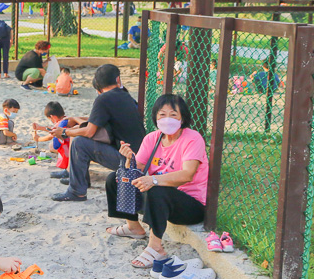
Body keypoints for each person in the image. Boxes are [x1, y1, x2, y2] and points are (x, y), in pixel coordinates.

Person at [106, 94, 208, 268]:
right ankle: (133, 227)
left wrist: (153, 179)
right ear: (155, 117)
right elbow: (135, 170)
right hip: (159, 196)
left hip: (190, 204)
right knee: (116, 178)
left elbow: (187, 175)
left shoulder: (192, 138)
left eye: (173, 114)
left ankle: (156, 247)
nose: (167, 119)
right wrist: (128, 160)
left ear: (182, 118)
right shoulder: (153, 138)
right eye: (162, 114)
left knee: (157, 188)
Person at [50, 64, 146, 202]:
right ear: (118, 79)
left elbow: (89, 132)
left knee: (79, 143)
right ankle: (80, 180)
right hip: (138, 157)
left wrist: (65, 132)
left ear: (97, 84)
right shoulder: (126, 96)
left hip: (128, 161)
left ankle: (77, 191)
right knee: (80, 138)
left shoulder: (103, 99)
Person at [32, 101, 75, 169]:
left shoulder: (60, 125)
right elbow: (52, 129)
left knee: (51, 146)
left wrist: (38, 139)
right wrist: (40, 127)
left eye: (50, 119)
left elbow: (50, 136)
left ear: (52, 117)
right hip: (75, 142)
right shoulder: (66, 119)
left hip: (70, 147)